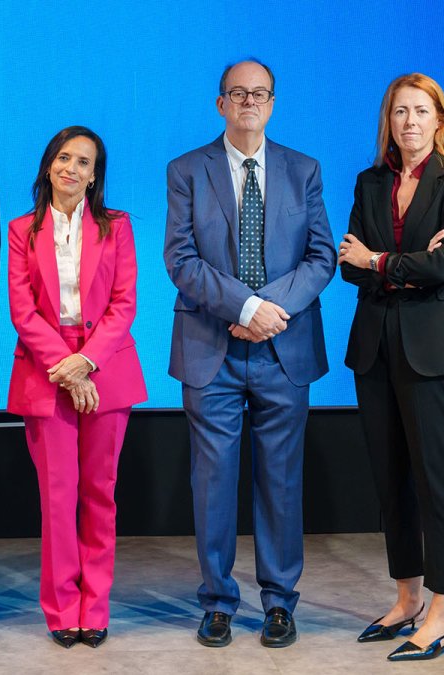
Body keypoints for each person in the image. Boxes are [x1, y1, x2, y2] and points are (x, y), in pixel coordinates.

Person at [163, 59, 336, 649]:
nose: (248, 103)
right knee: (212, 482)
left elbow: (322, 257)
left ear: (273, 102)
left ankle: (279, 603)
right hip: (211, 345)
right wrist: (243, 309)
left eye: (259, 94)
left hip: (283, 348)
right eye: (237, 94)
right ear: (220, 104)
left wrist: (268, 312)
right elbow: (181, 260)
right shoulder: (187, 169)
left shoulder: (303, 169)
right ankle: (216, 602)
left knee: (281, 482)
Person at [337, 72, 444, 662]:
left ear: (439, 119)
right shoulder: (370, 181)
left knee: (436, 479)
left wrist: (378, 258)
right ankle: (408, 599)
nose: (411, 122)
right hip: (375, 342)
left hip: (434, 343)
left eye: (421, 111)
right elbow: (348, 264)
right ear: (388, 121)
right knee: (390, 476)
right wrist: (401, 260)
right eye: (400, 112)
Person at [6, 126, 146, 649]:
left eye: (84, 162)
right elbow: (22, 309)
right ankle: (63, 607)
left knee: (99, 494)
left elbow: (124, 304)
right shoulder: (22, 230)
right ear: (48, 166)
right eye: (64, 157)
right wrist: (65, 365)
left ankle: (96, 605)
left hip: (104, 365)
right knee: (58, 497)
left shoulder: (118, 226)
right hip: (46, 370)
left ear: (94, 176)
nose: (72, 168)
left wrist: (86, 362)